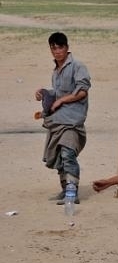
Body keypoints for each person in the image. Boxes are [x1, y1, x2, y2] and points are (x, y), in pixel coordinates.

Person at [36, 32, 91, 205]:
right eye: (54, 48)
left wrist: (61, 100)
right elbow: (58, 93)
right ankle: (64, 189)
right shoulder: (56, 71)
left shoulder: (77, 66)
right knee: (59, 156)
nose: (57, 51)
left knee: (68, 154)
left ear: (67, 48)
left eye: (60, 47)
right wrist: (44, 93)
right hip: (58, 120)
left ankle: (72, 192)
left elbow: (82, 91)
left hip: (72, 121)